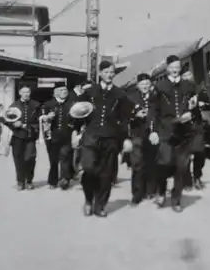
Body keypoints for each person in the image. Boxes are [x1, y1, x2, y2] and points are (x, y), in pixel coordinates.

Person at [73, 60, 134, 218]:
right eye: (106, 72)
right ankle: (88, 200)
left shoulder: (120, 94)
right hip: (91, 136)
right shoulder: (89, 92)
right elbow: (78, 113)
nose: (109, 75)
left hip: (111, 138)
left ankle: (100, 205)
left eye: (112, 72)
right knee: (89, 169)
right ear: (100, 73)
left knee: (107, 174)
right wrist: (75, 132)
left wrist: (126, 138)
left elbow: (125, 119)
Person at [149, 55, 197, 213]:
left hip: (184, 132)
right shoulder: (159, 86)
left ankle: (176, 199)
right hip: (165, 131)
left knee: (182, 167)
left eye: (178, 67)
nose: (175, 70)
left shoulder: (189, 85)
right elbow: (153, 111)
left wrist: (191, 112)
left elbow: (193, 106)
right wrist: (153, 131)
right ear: (167, 68)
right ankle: (161, 191)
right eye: (172, 67)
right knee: (164, 163)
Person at [125, 73, 158, 205]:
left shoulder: (156, 98)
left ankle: (150, 190)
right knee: (137, 164)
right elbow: (125, 116)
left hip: (153, 135)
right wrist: (135, 115)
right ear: (138, 85)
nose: (145, 86)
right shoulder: (131, 98)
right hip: (137, 134)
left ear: (150, 85)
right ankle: (137, 194)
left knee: (151, 162)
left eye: (147, 84)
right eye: (142, 84)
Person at [3, 85, 41, 191]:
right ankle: (20, 182)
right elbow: (5, 119)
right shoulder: (14, 105)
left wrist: (34, 127)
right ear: (20, 93)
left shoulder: (36, 105)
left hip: (30, 136)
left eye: (28, 92)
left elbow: (40, 120)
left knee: (30, 159)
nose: (26, 94)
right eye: (24, 92)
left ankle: (29, 180)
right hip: (17, 137)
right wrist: (14, 124)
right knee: (18, 160)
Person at [181, 69, 210, 190]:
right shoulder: (178, 92)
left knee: (200, 153)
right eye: (185, 76)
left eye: (189, 75)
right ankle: (187, 180)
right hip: (184, 126)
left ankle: (197, 176)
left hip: (197, 125)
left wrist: (202, 104)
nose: (188, 77)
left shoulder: (199, 91)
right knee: (186, 155)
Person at [41, 82, 75, 190]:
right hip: (52, 136)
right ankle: (53, 180)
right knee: (53, 160)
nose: (64, 92)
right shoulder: (48, 104)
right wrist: (46, 118)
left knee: (65, 157)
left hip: (67, 136)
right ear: (55, 92)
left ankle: (65, 179)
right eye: (61, 90)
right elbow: (42, 119)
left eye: (65, 90)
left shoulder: (72, 104)